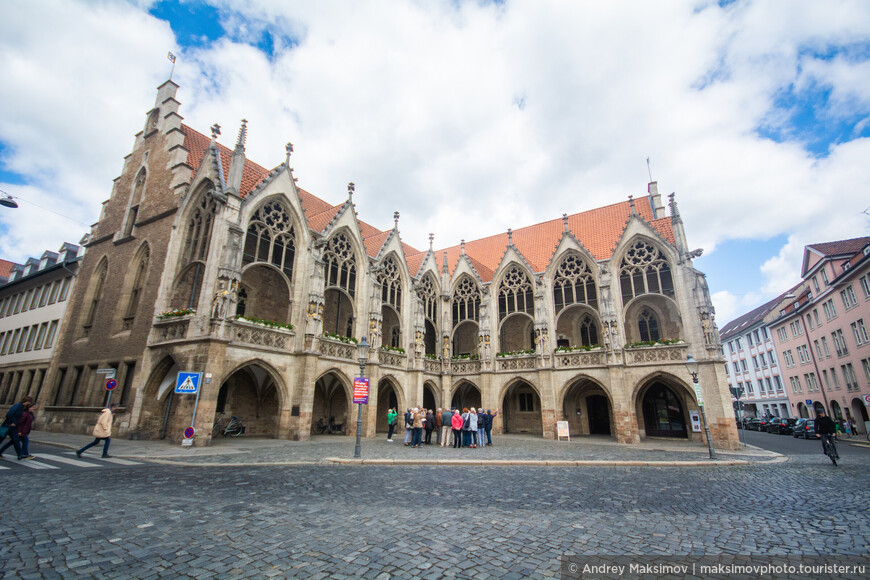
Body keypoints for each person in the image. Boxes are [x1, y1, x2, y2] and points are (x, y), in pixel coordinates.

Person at [0, 396, 33, 460]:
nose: (29, 404)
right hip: (6, 426)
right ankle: (20, 454)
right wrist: (11, 422)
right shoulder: (17, 406)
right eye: (29, 402)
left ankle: (20, 455)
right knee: (1, 439)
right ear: (26, 402)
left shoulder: (21, 407)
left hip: (12, 428)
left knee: (16, 440)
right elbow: (9, 414)